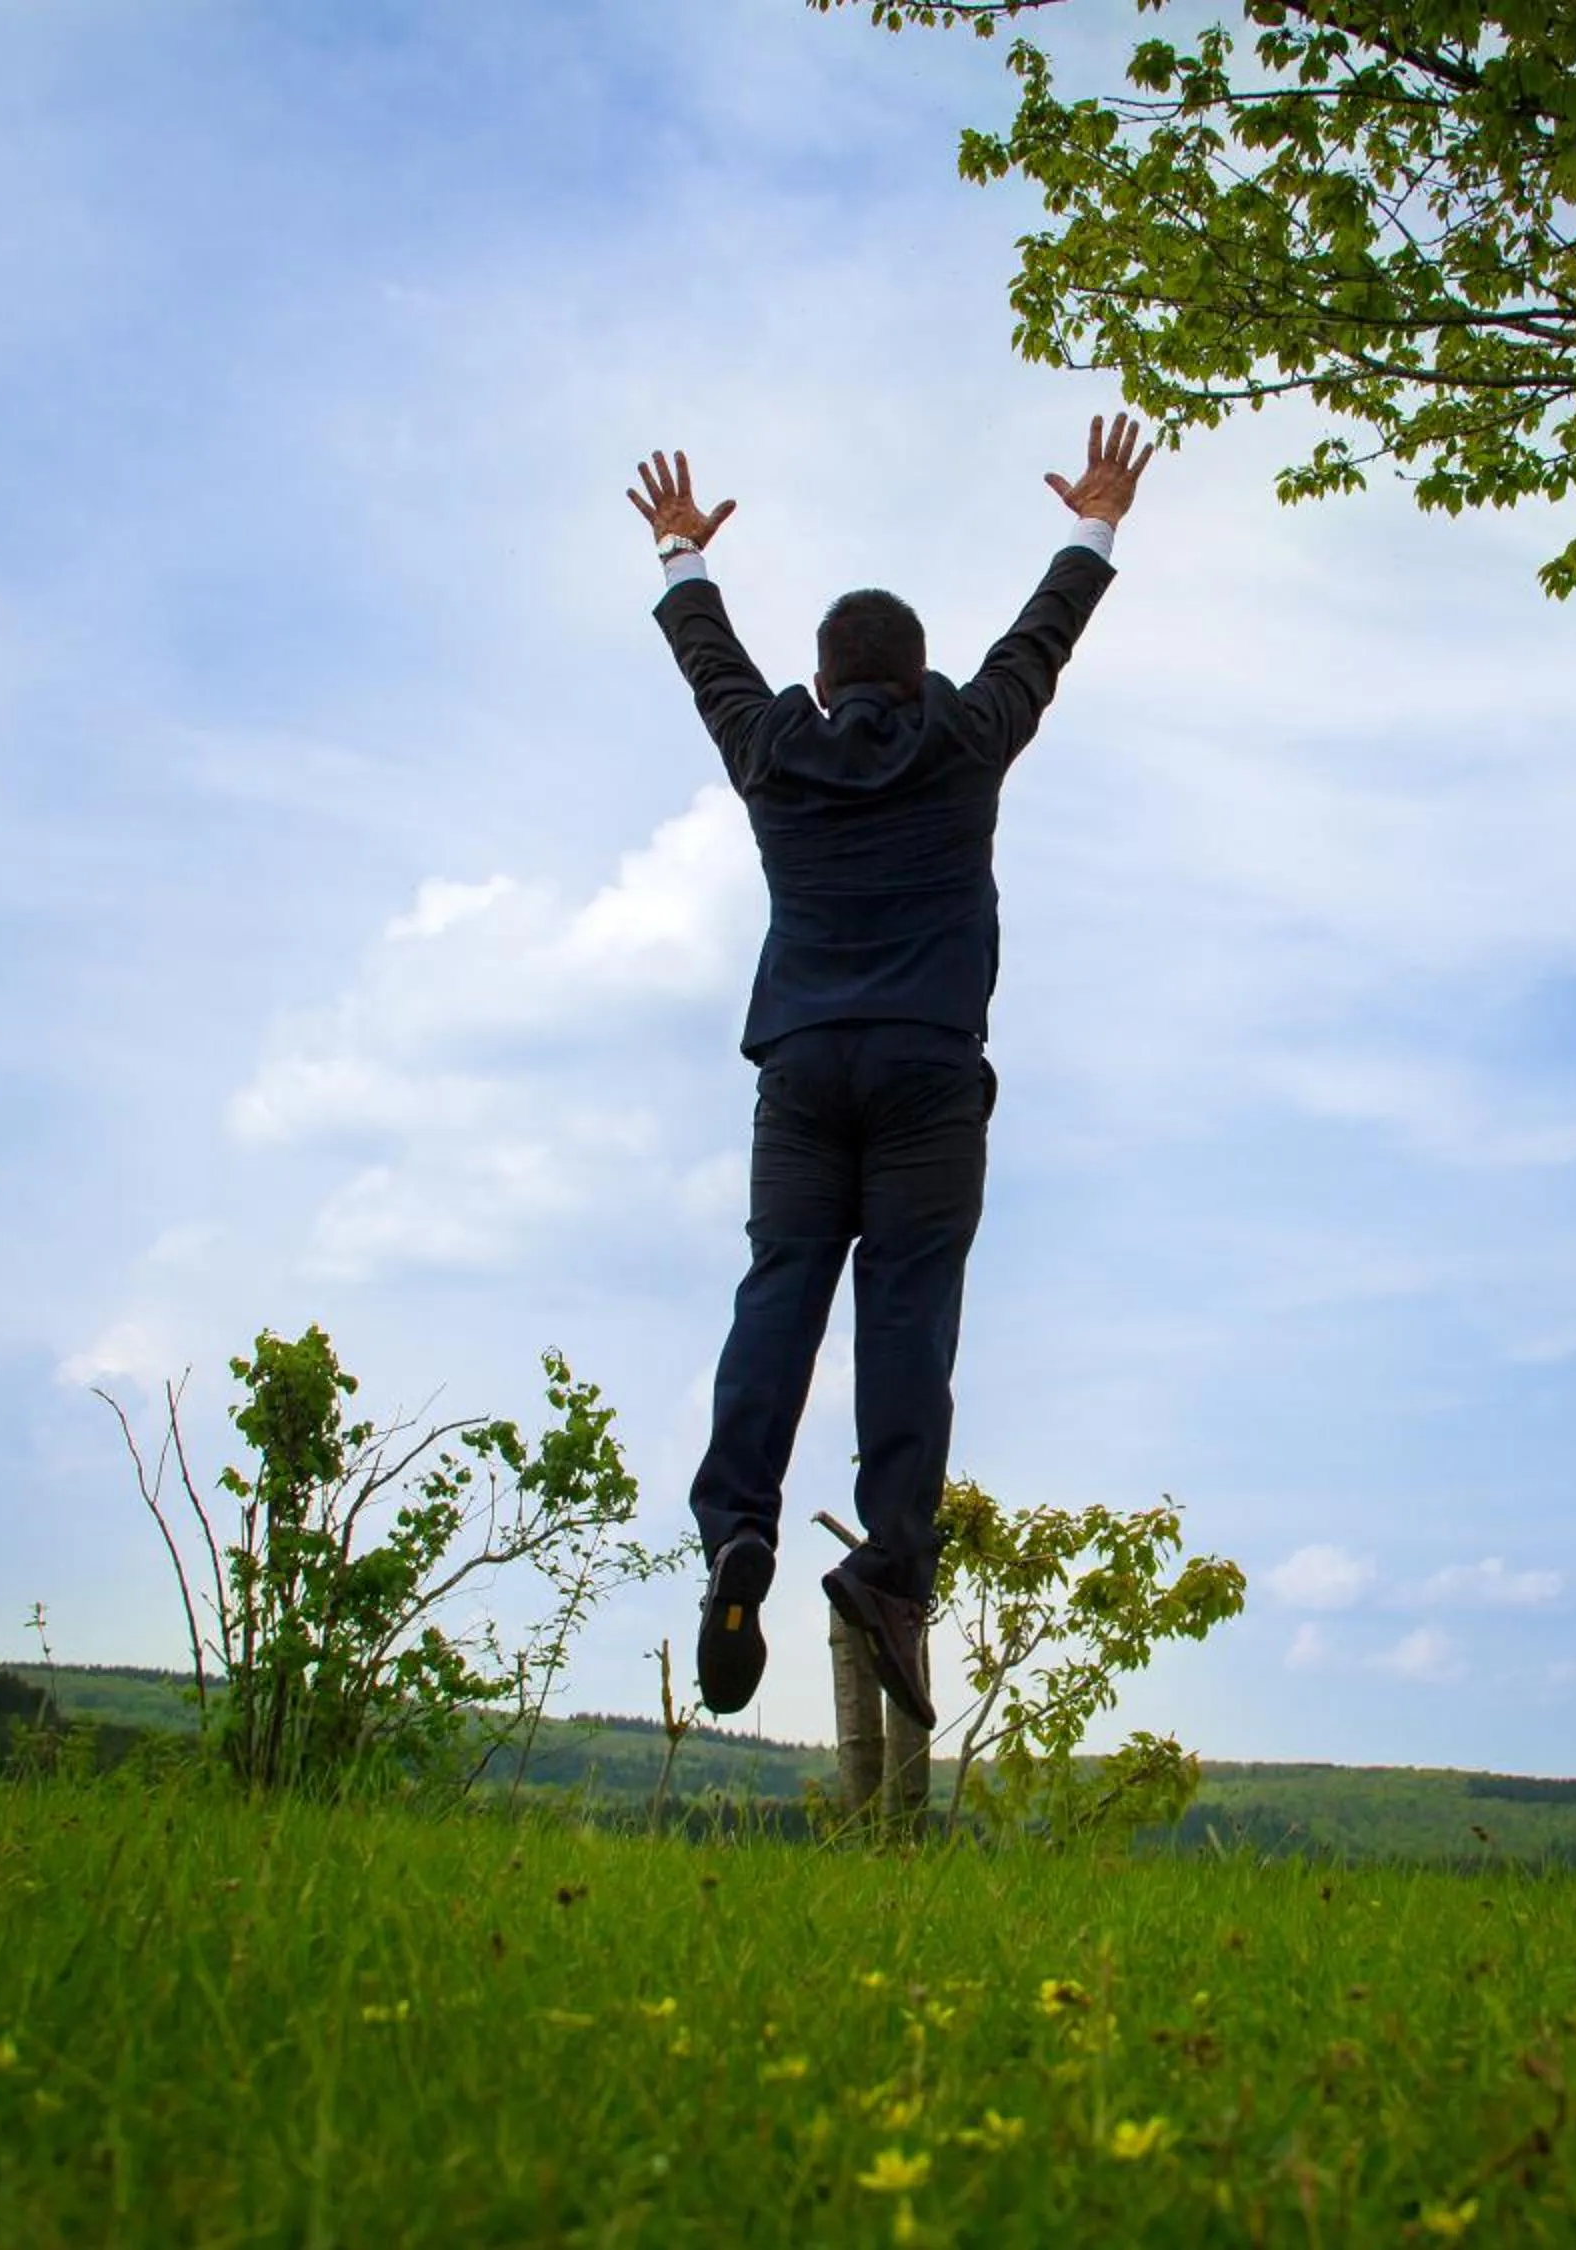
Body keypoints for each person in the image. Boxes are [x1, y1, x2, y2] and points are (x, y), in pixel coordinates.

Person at [628, 414, 1156, 1729]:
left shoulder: (773, 749)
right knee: (908, 1317)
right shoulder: (964, 741)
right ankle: (891, 1561)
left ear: (824, 680)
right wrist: (1093, 522)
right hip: (927, 1073)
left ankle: (738, 1527)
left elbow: (711, 662)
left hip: (801, 1072)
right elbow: (1042, 642)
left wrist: (683, 551)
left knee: (779, 1296)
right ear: (920, 680)